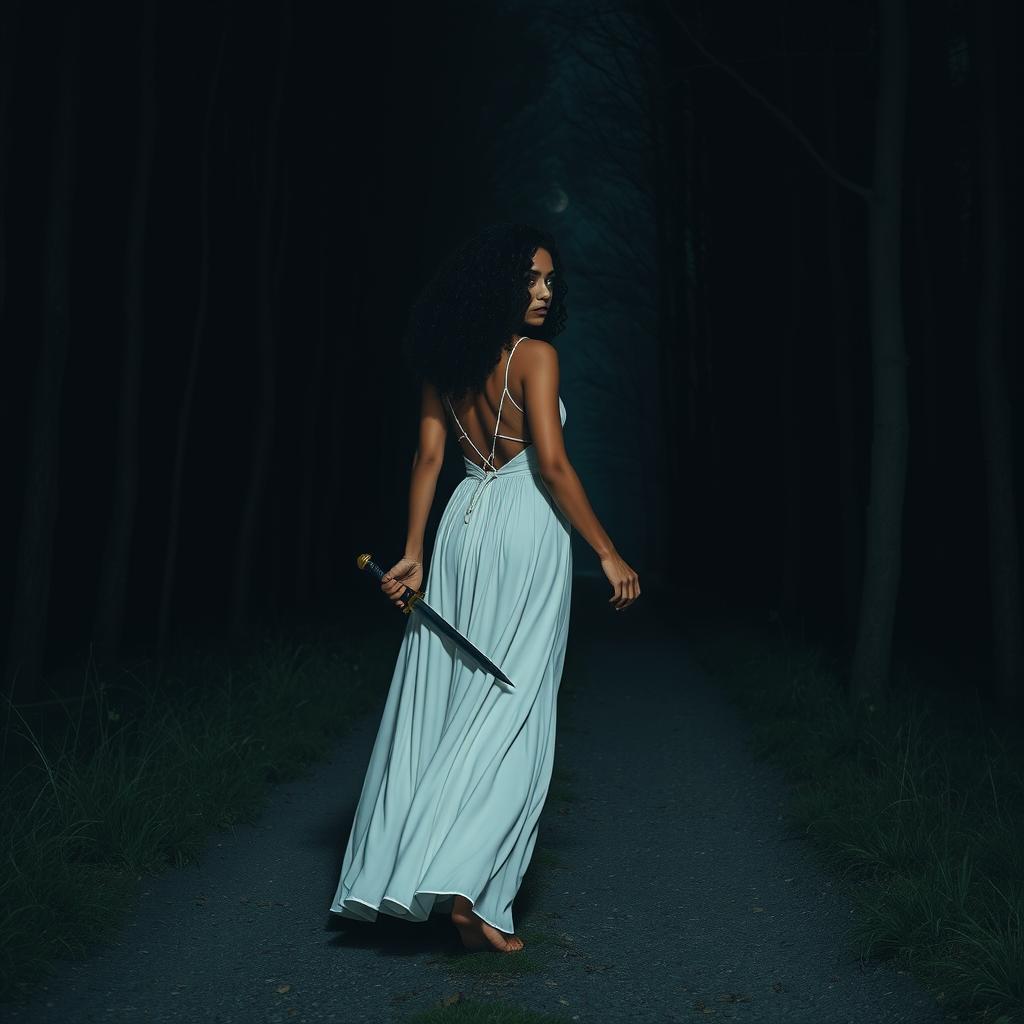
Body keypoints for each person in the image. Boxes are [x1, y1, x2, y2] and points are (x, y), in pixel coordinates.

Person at [329, 223, 639, 954]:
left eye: (549, 282)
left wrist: (413, 552)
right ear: (492, 284)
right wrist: (610, 553)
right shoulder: (536, 358)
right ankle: (470, 888)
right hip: (526, 524)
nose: (542, 292)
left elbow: (429, 457)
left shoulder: (447, 362)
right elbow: (553, 468)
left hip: (462, 525)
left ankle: (429, 867)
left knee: (452, 695)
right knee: (516, 703)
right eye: (530, 279)